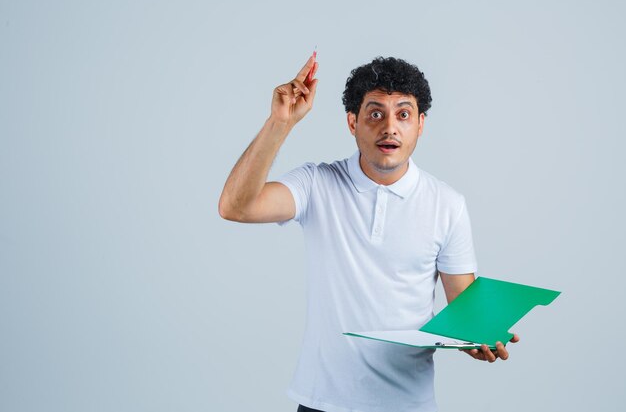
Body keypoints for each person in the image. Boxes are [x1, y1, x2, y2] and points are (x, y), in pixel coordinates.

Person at [218, 55, 519, 412]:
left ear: (421, 125)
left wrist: (480, 339)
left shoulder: (447, 204)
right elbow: (236, 207)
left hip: (409, 405)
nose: (389, 127)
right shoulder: (317, 183)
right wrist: (279, 123)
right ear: (352, 122)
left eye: (403, 114)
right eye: (375, 114)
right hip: (321, 402)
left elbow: (464, 316)